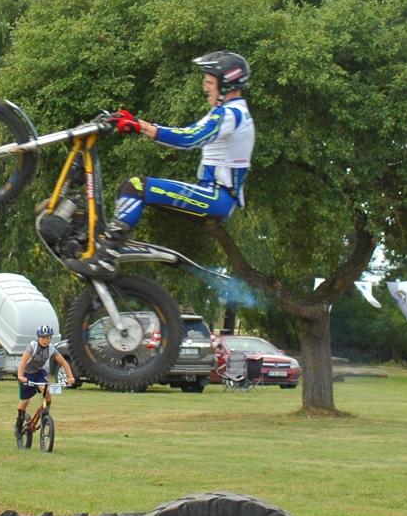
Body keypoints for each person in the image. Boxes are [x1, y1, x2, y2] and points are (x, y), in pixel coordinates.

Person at [67, 50, 255, 278]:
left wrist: (141, 127)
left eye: (209, 81)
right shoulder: (227, 112)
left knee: (135, 187)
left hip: (216, 198)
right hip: (214, 195)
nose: (204, 87)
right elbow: (187, 133)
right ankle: (104, 244)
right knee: (129, 188)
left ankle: (106, 259)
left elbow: (189, 138)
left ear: (225, 84)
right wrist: (136, 122)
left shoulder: (230, 115)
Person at [15, 324, 74, 436]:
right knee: (25, 401)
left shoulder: (51, 348)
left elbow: (63, 363)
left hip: (39, 373)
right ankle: (18, 425)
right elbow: (23, 362)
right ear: (38, 337)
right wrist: (20, 376)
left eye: (48, 338)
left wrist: (70, 377)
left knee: (47, 391)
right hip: (27, 374)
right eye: (43, 337)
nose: (45, 340)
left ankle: (44, 415)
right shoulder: (32, 346)